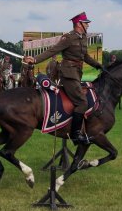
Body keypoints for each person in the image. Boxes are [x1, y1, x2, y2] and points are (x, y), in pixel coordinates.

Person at [24, 12, 103, 145]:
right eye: (86, 23)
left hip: (77, 73)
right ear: (79, 24)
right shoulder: (68, 38)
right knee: (82, 102)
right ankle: (75, 135)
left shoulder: (83, 37)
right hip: (68, 74)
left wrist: (98, 65)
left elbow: (85, 56)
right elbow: (52, 51)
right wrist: (35, 59)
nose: (88, 25)